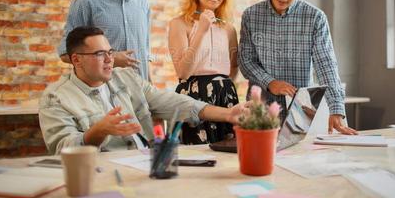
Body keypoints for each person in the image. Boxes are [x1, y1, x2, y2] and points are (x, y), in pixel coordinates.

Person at [39, 27, 246, 155]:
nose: (110, 59)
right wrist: (98, 131)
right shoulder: (55, 97)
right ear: (76, 59)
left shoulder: (126, 77)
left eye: (110, 52)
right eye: (100, 53)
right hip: (105, 173)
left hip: (147, 161)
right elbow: (62, 149)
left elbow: (172, 102)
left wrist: (227, 114)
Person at [238, 0, 357, 135]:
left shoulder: (315, 18)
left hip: (300, 111)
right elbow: (246, 61)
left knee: (301, 160)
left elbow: (326, 64)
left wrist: (336, 108)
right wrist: (270, 82)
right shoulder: (250, 16)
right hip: (259, 111)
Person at [168, 0, 239, 144]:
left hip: (226, 97)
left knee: (228, 158)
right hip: (193, 98)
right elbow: (183, 72)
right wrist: (201, 30)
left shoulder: (229, 28)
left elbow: (233, 68)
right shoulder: (179, 24)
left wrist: (222, 88)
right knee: (196, 157)